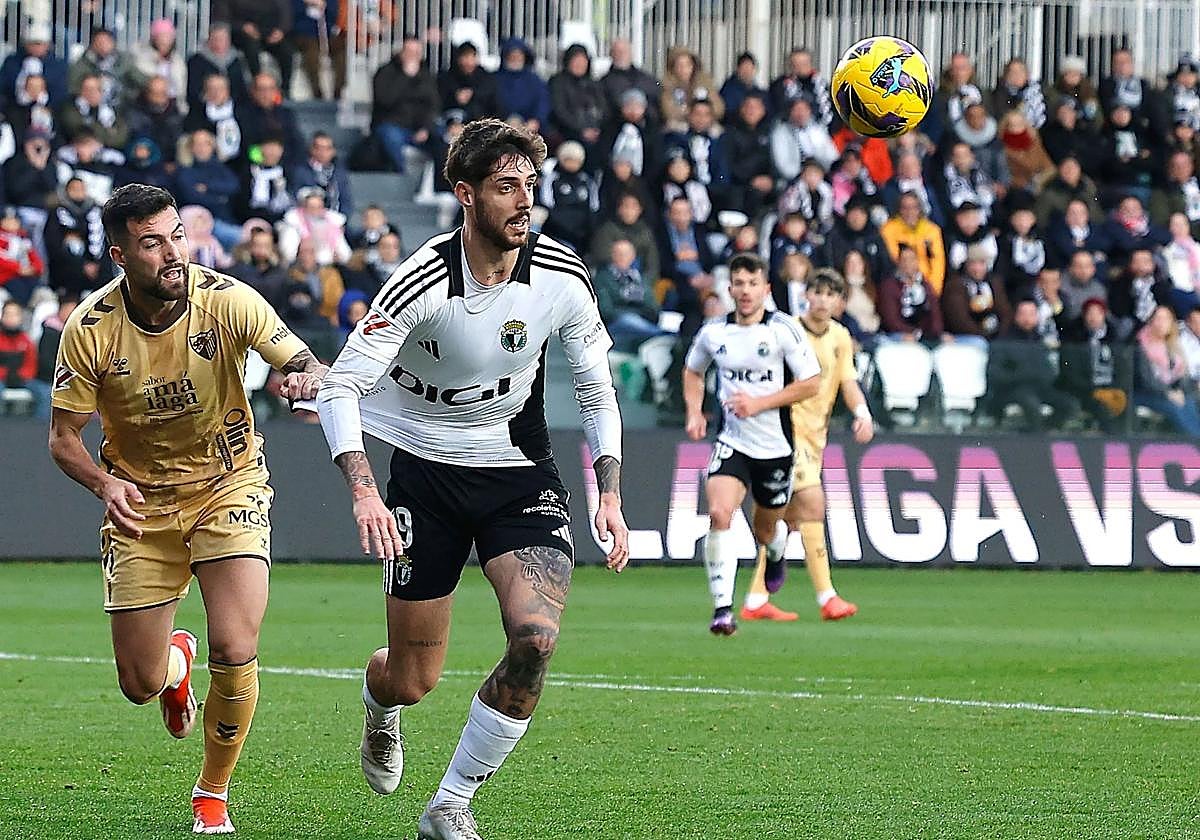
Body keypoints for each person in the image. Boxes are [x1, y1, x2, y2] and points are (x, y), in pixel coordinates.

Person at [313, 119, 629, 840]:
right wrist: (365, 488)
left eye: (530, 186)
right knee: (413, 679)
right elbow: (339, 389)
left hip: (519, 473)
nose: (524, 201)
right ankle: (380, 703)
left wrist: (607, 491)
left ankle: (451, 803)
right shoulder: (422, 280)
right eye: (506, 186)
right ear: (464, 194)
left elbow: (596, 389)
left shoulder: (562, 278)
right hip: (423, 477)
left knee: (536, 640)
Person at [46, 183, 327, 834]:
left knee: (236, 644)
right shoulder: (90, 330)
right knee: (139, 684)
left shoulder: (225, 299)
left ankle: (212, 794)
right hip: (140, 502)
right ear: (120, 254)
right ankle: (175, 666)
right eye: (152, 242)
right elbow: (63, 437)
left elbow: (302, 358)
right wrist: (102, 484)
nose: (173, 252)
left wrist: (304, 377)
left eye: (177, 234)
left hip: (228, 484)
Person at [683, 253, 820, 635]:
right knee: (720, 513)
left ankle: (776, 553)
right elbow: (693, 370)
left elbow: (812, 382)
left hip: (774, 447)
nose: (745, 291)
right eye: (739, 284)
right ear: (730, 289)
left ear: (766, 289)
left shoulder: (783, 329)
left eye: (752, 284)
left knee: (765, 531)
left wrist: (758, 403)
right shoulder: (714, 332)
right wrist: (695, 411)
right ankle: (722, 609)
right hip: (732, 442)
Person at [740, 269, 871, 623]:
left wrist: (862, 412)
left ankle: (755, 599)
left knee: (788, 522)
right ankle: (828, 598)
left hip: (816, 437)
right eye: (818, 292)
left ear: (840, 301)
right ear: (806, 296)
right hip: (784, 431)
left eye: (832, 294)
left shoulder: (841, 337)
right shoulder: (786, 332)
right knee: (813, 504)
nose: (824, 300)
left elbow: (848, 381)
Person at [985, 298, 1079, 431]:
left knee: (1069, 404)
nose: (1027, 318)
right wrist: (1022, 375)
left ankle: (1044, 431)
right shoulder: (1004, 342)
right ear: (1016, 316)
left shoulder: (1039, 342)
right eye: (1023, 314)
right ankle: (1035, 439)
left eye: (1031, 314)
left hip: (1040, 388)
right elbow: (994, 375)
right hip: (1013, 390)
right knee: (1031, 404)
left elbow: (1049, 372)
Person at [371, 36, 439, 175]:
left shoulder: (426, 76)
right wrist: (405, 76)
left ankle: (442, 185)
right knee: (391, 137)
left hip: (420, 127)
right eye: (409, 52)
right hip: (392, 124)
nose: (412, 57)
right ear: (401, 52)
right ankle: (404, 177)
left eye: (416, 53)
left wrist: (426, 128)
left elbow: (434, 105)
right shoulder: (385, 72)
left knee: (445, 137)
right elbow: (385, 100)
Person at [1134, 304, 1200, 435]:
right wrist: (1168, 393)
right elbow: (1147, 380)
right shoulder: (1141, 345)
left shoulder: (1172, 345)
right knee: (1175, 406)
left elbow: (1181, 374)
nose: (1161, 323)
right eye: (1158, 318)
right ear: (1151, 321)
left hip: (1169, 391)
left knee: (1189, 401)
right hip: (1145, 393)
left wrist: (1180, 389)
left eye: (1166, 319)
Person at [881, 191, 947, 294]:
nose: (910, 212)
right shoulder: (888, 230)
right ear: (899, 209)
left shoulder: (932, 230)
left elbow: (937, 262)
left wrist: (933, 291)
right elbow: (894, 260)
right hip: (901, 284)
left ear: (920, 209)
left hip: (928, 285)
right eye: (905, 208)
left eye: (914, 207)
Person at [186, 23, 251, 112]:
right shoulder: (196, 61)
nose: (219, 42)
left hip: (235, 108)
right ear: (209, 40)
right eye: (216, 39)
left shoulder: (238, 60)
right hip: (204, 109)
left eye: (223, 39)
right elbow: (193, 89)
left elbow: (242, 88)